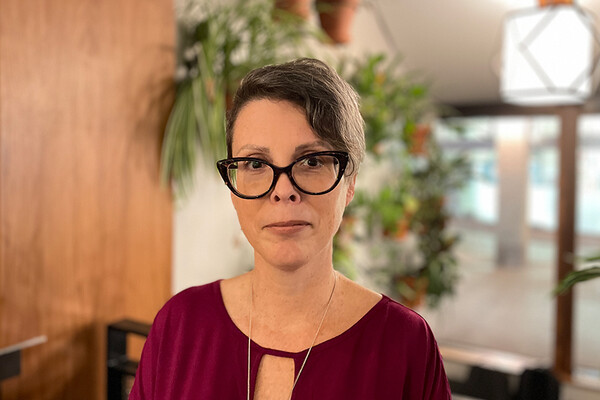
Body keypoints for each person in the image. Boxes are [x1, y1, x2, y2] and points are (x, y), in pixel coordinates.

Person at [129, 58, 451, 400]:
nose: (283, 190)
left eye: (312, 161)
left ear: (350, 181)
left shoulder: (406, 344)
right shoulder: (180, 324)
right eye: (255, 163)